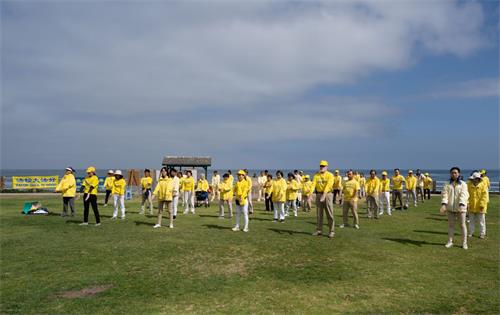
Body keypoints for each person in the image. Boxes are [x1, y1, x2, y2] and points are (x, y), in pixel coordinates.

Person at [440, 167, 469, 249]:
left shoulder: (463, 184)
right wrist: (444, 205)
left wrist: (461, 205)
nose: (454, 174)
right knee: (451, 225)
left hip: (461, 208)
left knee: (462, 225)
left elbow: (464, 195)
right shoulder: (447, 184)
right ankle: (450, 241)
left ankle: (464, 243)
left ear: (458, 174)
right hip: (450, 208)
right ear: (450, 174)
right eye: (452, 172)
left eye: (455, 173)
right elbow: (444, 194)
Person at [311, 160, 335, 238]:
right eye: (321, 166)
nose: (322, 167)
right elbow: (313, 185)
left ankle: (331, 231)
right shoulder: (316, 175)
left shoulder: (330, 175)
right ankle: (319, 230)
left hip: (327, 194)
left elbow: (329, 185)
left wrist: (324, 195)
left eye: (323, 166)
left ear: (327, 167)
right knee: (319, 214)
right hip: (318, 194)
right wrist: (310, 194)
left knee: (329, 213)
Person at [467, 172, 489, 239]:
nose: (475, 180)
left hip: (481, 207)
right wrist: (467, 204)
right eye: (474, 178)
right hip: (471, 206)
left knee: (481, 221)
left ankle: (482, 234)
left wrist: (482, 205)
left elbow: (484, 196)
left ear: (479, 179)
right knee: (471, 221)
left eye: (477, 178)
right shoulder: (469, 185)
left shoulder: (483, 185)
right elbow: (466, 195)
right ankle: (470, 233)